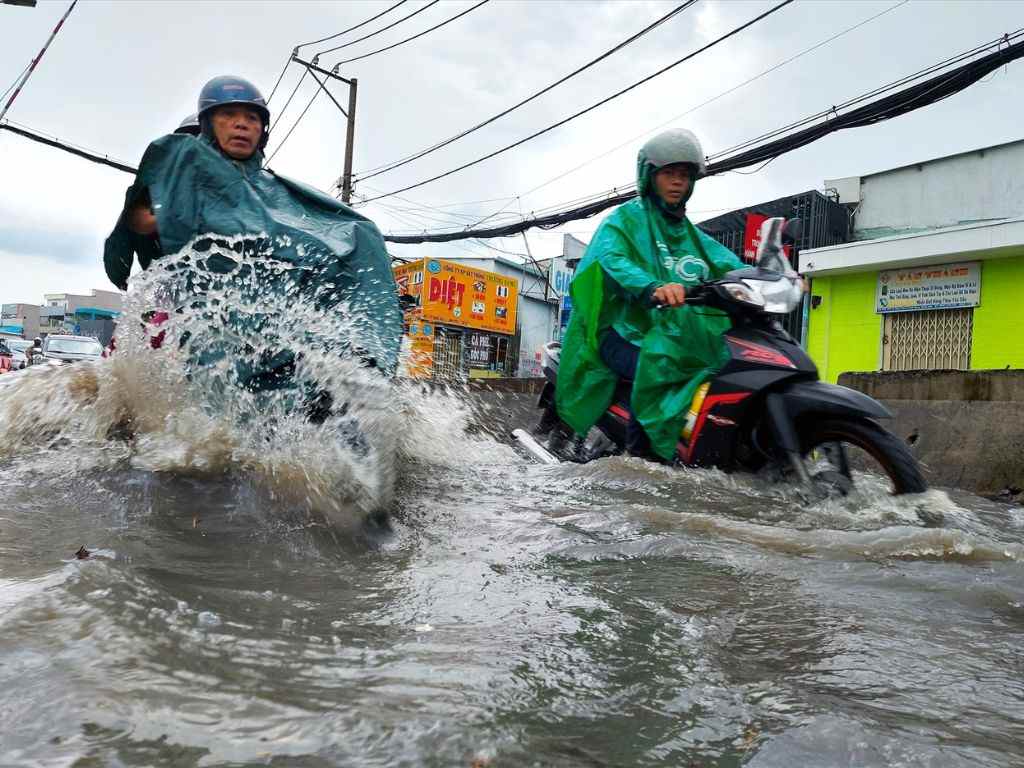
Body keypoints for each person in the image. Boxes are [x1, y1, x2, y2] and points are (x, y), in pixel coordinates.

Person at [103, 75, 401, 411]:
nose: (241, 125)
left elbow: (330, 238)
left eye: (251, 118)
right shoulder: (177, 179)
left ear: (262, 131)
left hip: (279, 333)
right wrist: (176, 204)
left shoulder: (274, 193)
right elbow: (138, 226)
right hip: (204, 329)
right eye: (229, 116)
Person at [555, 128, 745, 462]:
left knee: (722, 367)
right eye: (669, 173)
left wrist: (774, 278)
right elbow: (611, 258)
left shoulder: (689, 233)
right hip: (619, 332)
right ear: (650, 176)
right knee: (659, 368)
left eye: (684, 175)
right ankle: (642, 461)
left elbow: (727, 263)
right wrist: (652, 286)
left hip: (669, 335)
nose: (677, 181)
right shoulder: (625, 220)